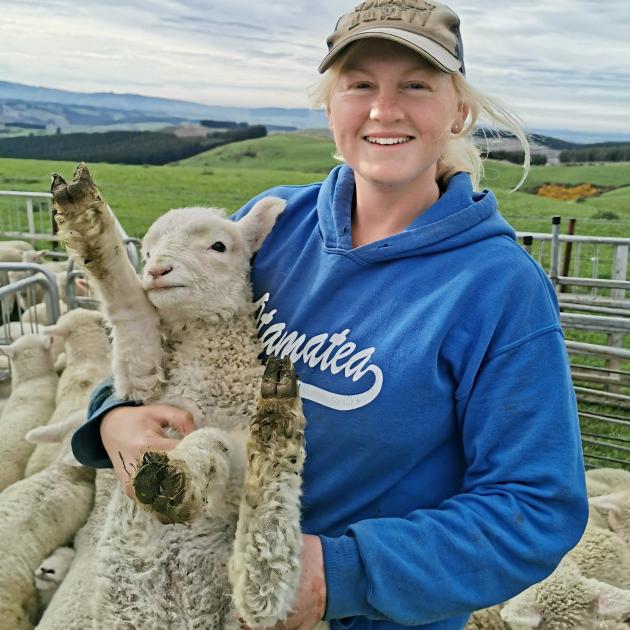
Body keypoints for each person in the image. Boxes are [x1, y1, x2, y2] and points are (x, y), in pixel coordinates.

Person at [71, 1, 589, 628]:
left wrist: (337, 574)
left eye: (415, 85)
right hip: (209, 590)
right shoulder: (274, 224)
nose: (383, 109)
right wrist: (113, 418)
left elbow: (535, 509)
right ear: (330, 105)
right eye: (360, 84)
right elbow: (183, 340)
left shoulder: (498, 288)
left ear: (460, 111)